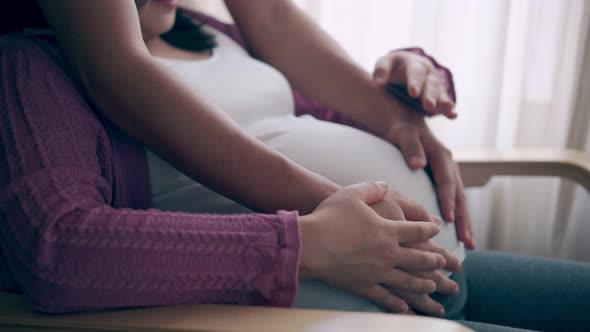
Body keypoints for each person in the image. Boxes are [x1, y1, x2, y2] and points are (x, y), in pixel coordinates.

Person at [0, 1, 588, 331]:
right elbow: (57, 249)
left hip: (442, 273)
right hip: (356, 316)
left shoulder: (215, 36)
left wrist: (406, 82)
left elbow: (319, 118)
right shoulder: (38, 69)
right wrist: (301, 244)